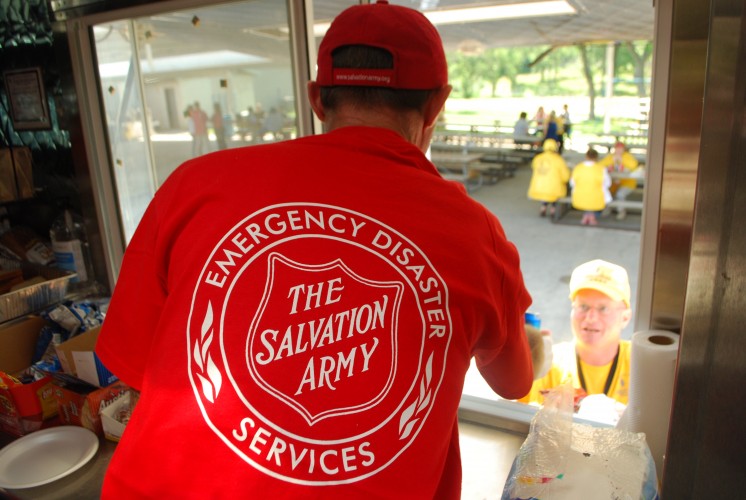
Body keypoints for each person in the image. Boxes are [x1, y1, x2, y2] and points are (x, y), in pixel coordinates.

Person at [95, 2, 534, 498]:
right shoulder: (476, 234)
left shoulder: (193, 185)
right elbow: (514, 382)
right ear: (437, 105)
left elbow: (133, 373)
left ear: (316, 99)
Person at [519, 259, 633, 409]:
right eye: (583, 306)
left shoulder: (640, 363)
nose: (590, 317)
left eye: (603, 308)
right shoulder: (548, 362)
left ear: (625, 318)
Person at [527, 138, 570, 217]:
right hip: (554, 188)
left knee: (546, 195)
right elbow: (565, 176)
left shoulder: (537, 158)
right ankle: (552, 210)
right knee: (555, 193)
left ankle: (543, 207)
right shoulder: (558, 159)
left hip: (538, 187)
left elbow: (533, 167)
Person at [598, 141, 641, 220]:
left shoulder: (628, 157)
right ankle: (608, 208)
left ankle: (621, 211)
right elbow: (600, 165)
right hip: (613, 183)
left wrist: (621, 159)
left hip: (627, 183)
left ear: (624, 149)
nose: (618, 150)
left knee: (620, 194)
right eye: (617, 149)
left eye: (620, 149)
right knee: (606, 192)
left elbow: (633, 165)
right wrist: (613, 160)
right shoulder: (611, 157)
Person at [570, 148, 612, 226]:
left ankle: (586, 216)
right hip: (596, 198)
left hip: (579, 197)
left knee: (587, 197)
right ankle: (592, 217)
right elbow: (608, 184)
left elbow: (572, 183)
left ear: (586, 156)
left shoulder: (578, 167)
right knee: (601, 195)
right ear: (596, 158)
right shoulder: (601, 168)